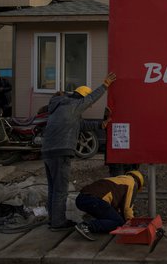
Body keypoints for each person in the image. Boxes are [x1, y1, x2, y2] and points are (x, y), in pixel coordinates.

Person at [42, 72, 116, 231]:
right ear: (80, 97)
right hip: (60, 151)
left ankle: (52, 219)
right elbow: (90, 99)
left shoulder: (61, 106)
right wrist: (105, 85)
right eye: (86, 103)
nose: (88, 106)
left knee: (53, 188)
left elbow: (80, 125)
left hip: (47, 152)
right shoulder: (74, 105)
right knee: (60, 190)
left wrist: (101, 125)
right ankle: (58, 223)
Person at [74, 170, 144, 241]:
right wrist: (131, 223)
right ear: (138, 184)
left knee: (113, 216)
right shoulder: (132, 183)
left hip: (81, 199)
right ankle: (87, 226)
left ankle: (91, 219)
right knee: (119, 222)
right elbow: (127, 209)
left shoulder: (119, 180)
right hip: (94, 200)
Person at [102, 106, 140, 176]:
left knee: (127, 182)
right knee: (120, 182)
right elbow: (106, 126)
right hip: (118, 157)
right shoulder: (111, 107)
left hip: (129, 156)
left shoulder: (136, 107)